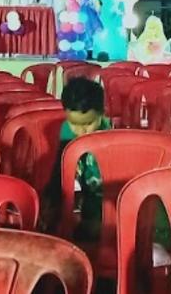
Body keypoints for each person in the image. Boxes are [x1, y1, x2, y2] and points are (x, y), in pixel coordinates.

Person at [45, 77, 112, 239]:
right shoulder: (67, 132)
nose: (80, 131)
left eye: (88, 124)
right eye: (74, 123)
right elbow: (59, 170)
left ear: (102, 113)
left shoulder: (112, 137)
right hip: (88, 207)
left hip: (111, 207)